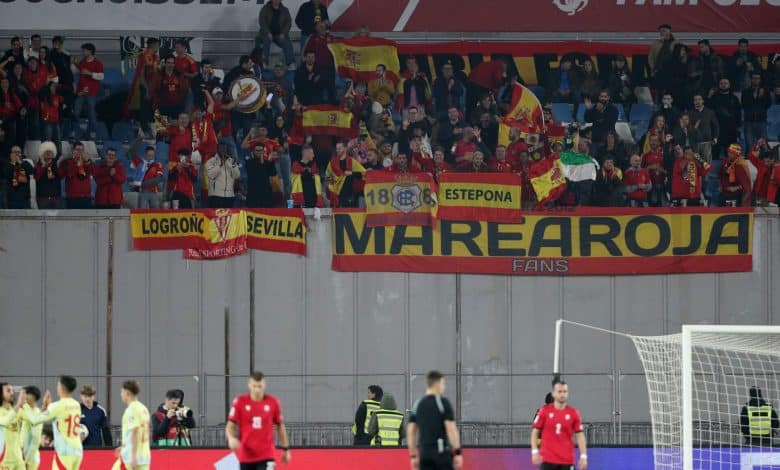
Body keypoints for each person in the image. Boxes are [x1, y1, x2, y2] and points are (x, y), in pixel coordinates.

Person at [226, 372, 291, 470]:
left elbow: (280, 426)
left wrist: (285, 449)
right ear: (249, 385)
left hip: (267, 455)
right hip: (246, 456)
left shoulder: (273, 402)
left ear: (264, 385)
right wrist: (231, 438)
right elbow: (230, 425)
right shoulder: (240, 402)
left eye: (260, 386)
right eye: (254, 386)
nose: (257, 389)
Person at [22, 375, 83, 470]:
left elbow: (35, 420)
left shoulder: (57, 406)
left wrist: (24, 404)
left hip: (64, 451)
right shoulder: (76, 404)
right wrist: (49, 406)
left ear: (61, 387)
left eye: (58, 384)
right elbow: (62, 417)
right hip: (78, 450)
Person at [407, 370, 462, 470]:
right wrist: (457, 452)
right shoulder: (443, 402)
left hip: (424, 454)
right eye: (443, 384)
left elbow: (410, 432)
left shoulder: (417, 404)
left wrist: (413, 456)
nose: (444, 387)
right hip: (441, 453)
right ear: (437, 384)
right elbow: (451, 429)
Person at [531, 379, 587, 470]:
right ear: (554, 393)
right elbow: (535, 431)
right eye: (559, 391)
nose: (562, 394)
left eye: (564, 391)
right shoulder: (543, 412)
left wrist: (583, 456)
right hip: (548, 459)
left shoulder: (573, 413)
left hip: (567, 459)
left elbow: (580, 435)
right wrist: (534, 451)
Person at [113, 379, 151, 470]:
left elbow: (135, 431)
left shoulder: (132, 409)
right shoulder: (143, 408)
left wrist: (133, 456)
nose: (121, 394)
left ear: (127, 393)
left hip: (131, 458)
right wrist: (124, 445)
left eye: (121, 392)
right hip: (144, 456)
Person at [73, 43, 104, 138]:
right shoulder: (82, 62)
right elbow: (79, 70)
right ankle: (76, 130)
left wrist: (90, 73)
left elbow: (101, 76)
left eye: (85, 50)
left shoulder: (97, 63)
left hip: (91, 93)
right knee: (76, 112)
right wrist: (74, 63)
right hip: (81, 92)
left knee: (91, 113)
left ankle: (92, 132)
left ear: (90, 51)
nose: (83, 52)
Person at [326, 140, 366, 208]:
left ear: (345, 149)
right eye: (336, 148)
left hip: (349, 194)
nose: (337, 150)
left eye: (339, 148)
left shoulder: (352, 161)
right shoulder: (332, 162)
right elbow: (327, 176)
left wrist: (351, 173)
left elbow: (363, 174)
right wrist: (331, 180)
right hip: (336, 194)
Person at [258, 0, 294, 69]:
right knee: (266, 41)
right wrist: (268, 32)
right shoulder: (265, 8)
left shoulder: (285, 10)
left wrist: (283, 33)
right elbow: (262, 21)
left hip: (279, 34)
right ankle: (264, 63)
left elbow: (288, 22)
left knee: (287, 43)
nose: (276, 1)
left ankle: (290, 63)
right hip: (266, 33)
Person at [205, 144, 241, 208]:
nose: (223, 151)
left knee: (228, 218)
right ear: (217, 150)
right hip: (215, 196)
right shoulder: (211, 161)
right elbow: (211, 175)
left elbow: (237, 176)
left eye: (225, 149)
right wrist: (220, 165)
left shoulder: (231, 161)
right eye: (221, 149)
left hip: (229, 196)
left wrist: (233, 165)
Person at [0, 382, 26, 470]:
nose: (12, 393)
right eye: (8, 391)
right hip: (4, 460)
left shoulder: (15, 409)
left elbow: (34, 419)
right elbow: (5, 421)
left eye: (12, 390)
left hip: (18, 459)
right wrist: (19, 404)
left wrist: (44, 408)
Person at [742, 72, 770, 149]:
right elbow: (744, 105)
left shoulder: (765, 91)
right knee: (750, 144)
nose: (756, 80)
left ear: (760, 80)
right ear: (751, 79)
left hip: (761, 121)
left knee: (763, 145)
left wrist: (761, 97)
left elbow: (768, 105)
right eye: (754, 78)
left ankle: (762, 161)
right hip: (749, 122)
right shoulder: (745, 91)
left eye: (757, 78)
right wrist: (753, 97)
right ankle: (750, 160)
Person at [62, 141, 94, 209]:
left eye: (82, 150)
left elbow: (92, 172)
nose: (80, 152)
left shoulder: (88, 162)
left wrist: (87, 162)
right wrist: (76, 162)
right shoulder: (68, 162)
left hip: (86, 197)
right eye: (77, 150)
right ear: (73, 151)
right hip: (73, 197)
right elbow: (69, 173)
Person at [690, 94, 719, 163]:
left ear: (703, 101)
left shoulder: (710, 112)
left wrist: (715, 137)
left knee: (706, 163)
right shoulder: (690, 113)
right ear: (693, 102)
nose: (697, 101)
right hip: (695, 143)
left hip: (707, 141)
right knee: (695, 162)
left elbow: (716, 126)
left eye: (699, 99)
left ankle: (705, 174)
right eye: (695, 100)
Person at [4, 145, 34, 209]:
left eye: (19, 152)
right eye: (15, 152)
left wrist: (20, 163)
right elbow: (6, 174)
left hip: (24, 198)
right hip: (12, 199)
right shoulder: (7, 165)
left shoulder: (25, 163)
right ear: (11, 154)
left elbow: (32, 171)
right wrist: (14, 163)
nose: (17, 154)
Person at [20, 386, 43, 470]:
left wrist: (27, 460)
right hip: (20, 451)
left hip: (31, 455)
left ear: (32, 397)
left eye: (25, 394)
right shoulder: (22, 410)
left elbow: (35, 439)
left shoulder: (37, 413)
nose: (23, 396)